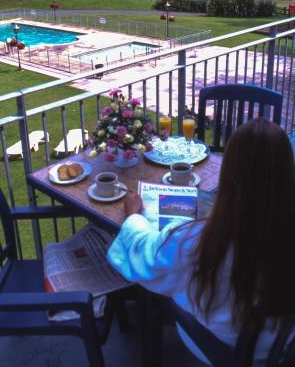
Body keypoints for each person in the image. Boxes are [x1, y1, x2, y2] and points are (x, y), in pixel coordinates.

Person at [107, 118, 295, 364]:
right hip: (278, 347)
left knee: (158, 285)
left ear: (229, 174)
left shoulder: (199, 240)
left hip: (220, 346)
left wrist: (133, 216)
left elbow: (144, 257)